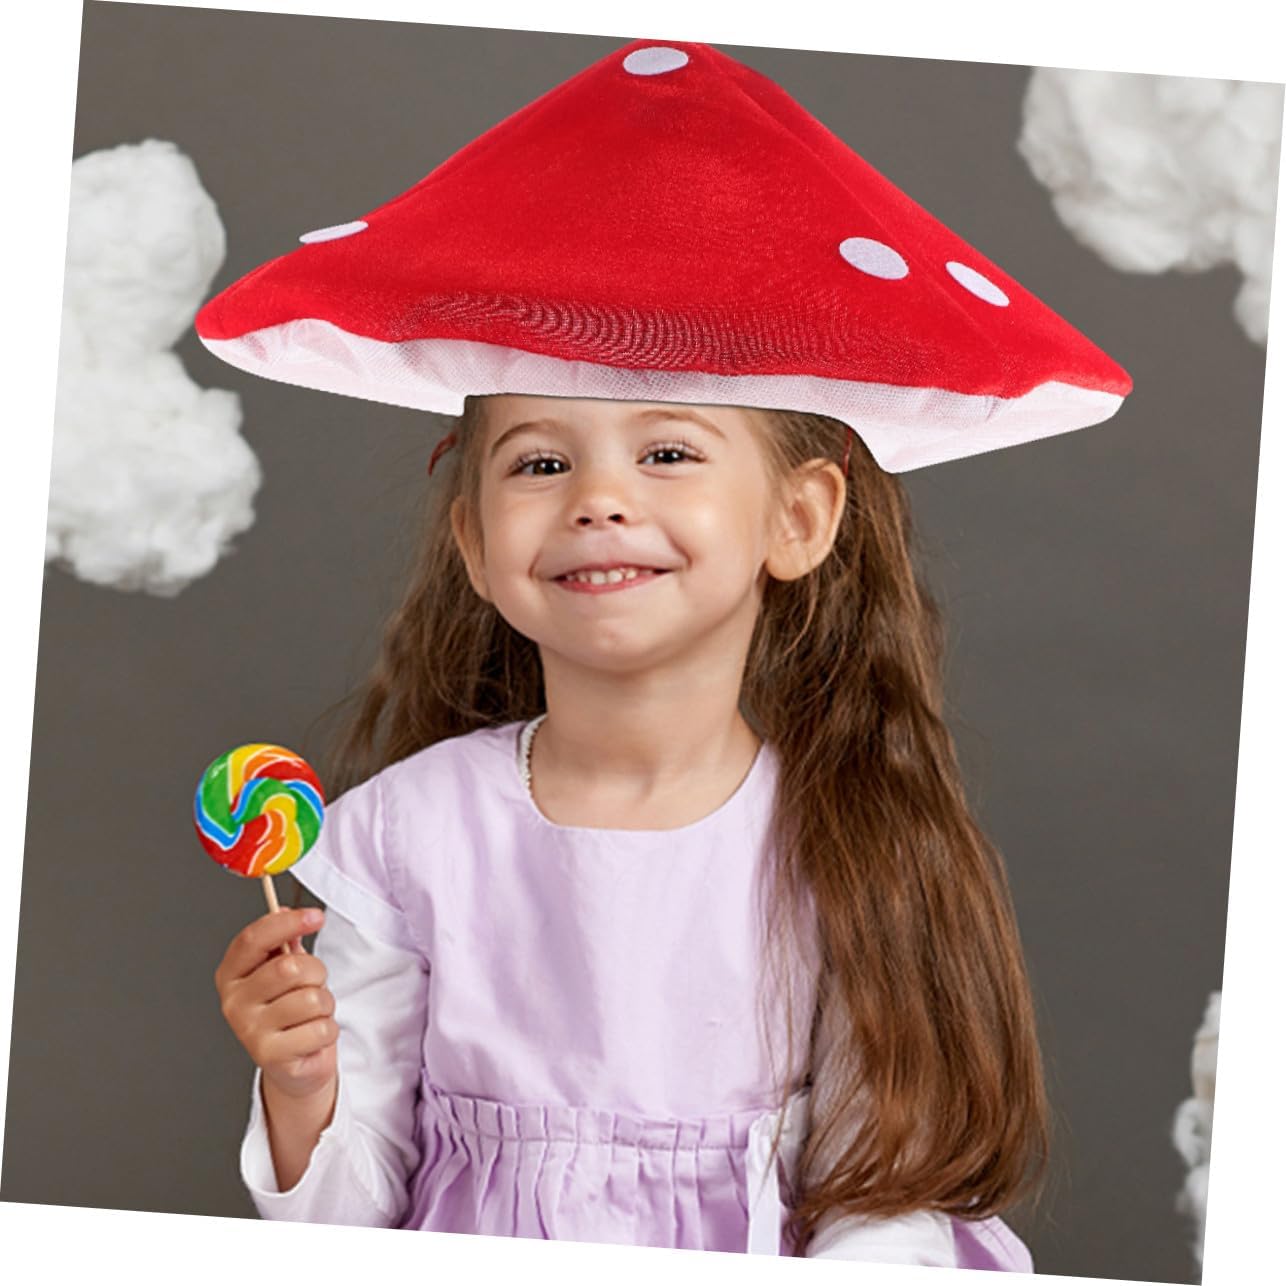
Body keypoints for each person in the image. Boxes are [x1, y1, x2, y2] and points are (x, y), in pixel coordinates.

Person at [214, 391, 1049, 1266]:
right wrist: (300, 1087)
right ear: (476, 543)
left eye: (667, 455)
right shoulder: (404, 836)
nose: (598, 499)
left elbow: (880, 1208)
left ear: (798, 517)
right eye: (542, 464)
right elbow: (342, 1232)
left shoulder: (845, 845)